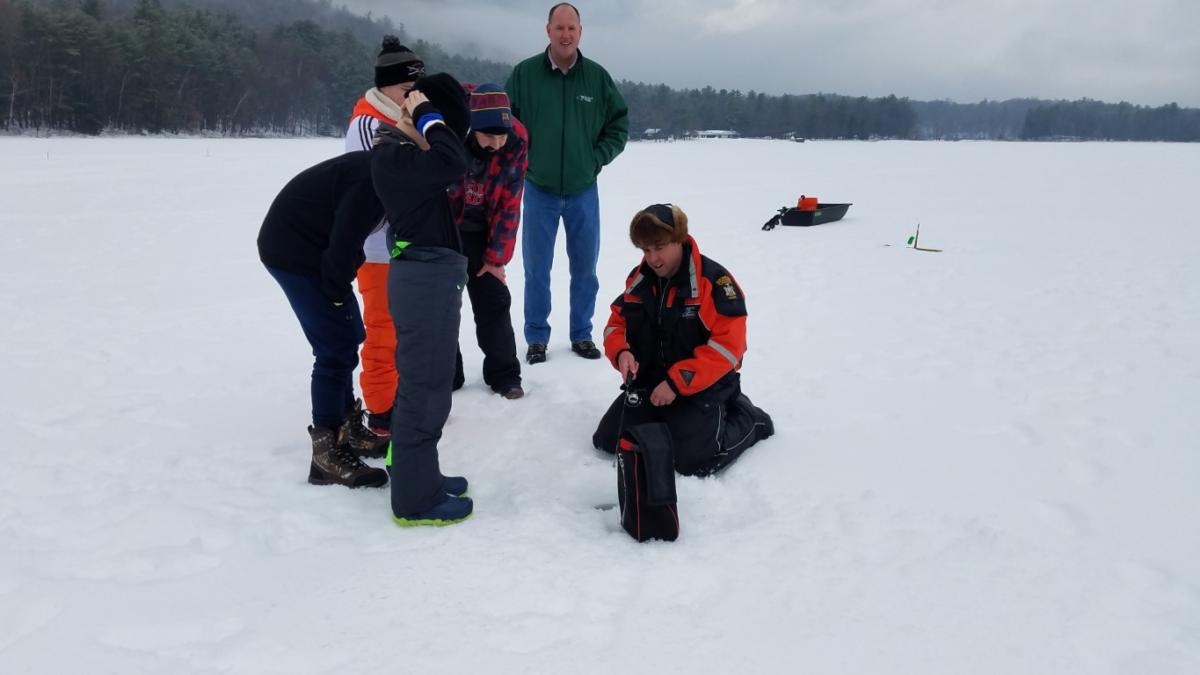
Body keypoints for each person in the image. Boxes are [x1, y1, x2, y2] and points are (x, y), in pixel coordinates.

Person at [592, 204, 775, 476]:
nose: (653, 258)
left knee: (693, 461)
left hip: (705, 386)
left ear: (679, 238)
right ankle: (674, 420)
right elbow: (616, 324)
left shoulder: (713, 283)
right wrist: (622, 353)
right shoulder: (639, 280)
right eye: (645, 250)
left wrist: (677, 382)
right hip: (653, 383)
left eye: (660, 247)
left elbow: (730, 348)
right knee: (609, 441)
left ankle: (749, 417)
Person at [370, 73, 474, 526]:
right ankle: (415, 499)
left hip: (430, 277)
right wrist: (428, 114)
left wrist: (428, 119)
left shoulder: (404, 154)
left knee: (428, 385)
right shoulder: (394, 156)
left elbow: (450, 157)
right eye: (445, 126)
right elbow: (454, 161)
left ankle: (420, 474)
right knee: (425, 389)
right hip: (424, 280)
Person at [257, 152, 391, 489]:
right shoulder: (373, 181)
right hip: (292, 250)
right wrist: (336, 294)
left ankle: (348, 430)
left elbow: (349, 239)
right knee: (334, 347)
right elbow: (345, 242)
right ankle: (327, 454)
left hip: (315, 245)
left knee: (349, 335)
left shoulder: (386, 171)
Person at [505, 2, 629, 365]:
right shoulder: (525, 75)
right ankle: (536, 338)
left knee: (585, 269)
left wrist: (595, 158)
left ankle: (581, 334)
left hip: (582, 190)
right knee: (536, 270)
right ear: (548, 31)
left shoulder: (597, 78)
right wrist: (523, 158)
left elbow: (619, 125)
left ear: (580, 32)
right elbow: (506, 123)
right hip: (538, 188)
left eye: (571, 28)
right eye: (559, 28)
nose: (565, 35)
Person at [344, 35, 425, 438]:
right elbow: (382, 185)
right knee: (381, 330)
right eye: (407, 89)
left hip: (404, 246)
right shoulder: (368, 124)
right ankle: (380, 412)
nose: (413, 96)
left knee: (404, 329)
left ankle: (399, 398)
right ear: (387, 86)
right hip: (377, 250)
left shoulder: (399, 118)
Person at [448, 83, 528, 399]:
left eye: (501, 136)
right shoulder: (451, 132)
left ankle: (505, 375)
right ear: (472, 128)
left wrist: (496, 259)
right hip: (446, 229)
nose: (495, 144)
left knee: (494, 300)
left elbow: (510, 203)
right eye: (488, 136)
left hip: (485, 230)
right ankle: (447, 374)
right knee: (443, 304)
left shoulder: (516, 143)